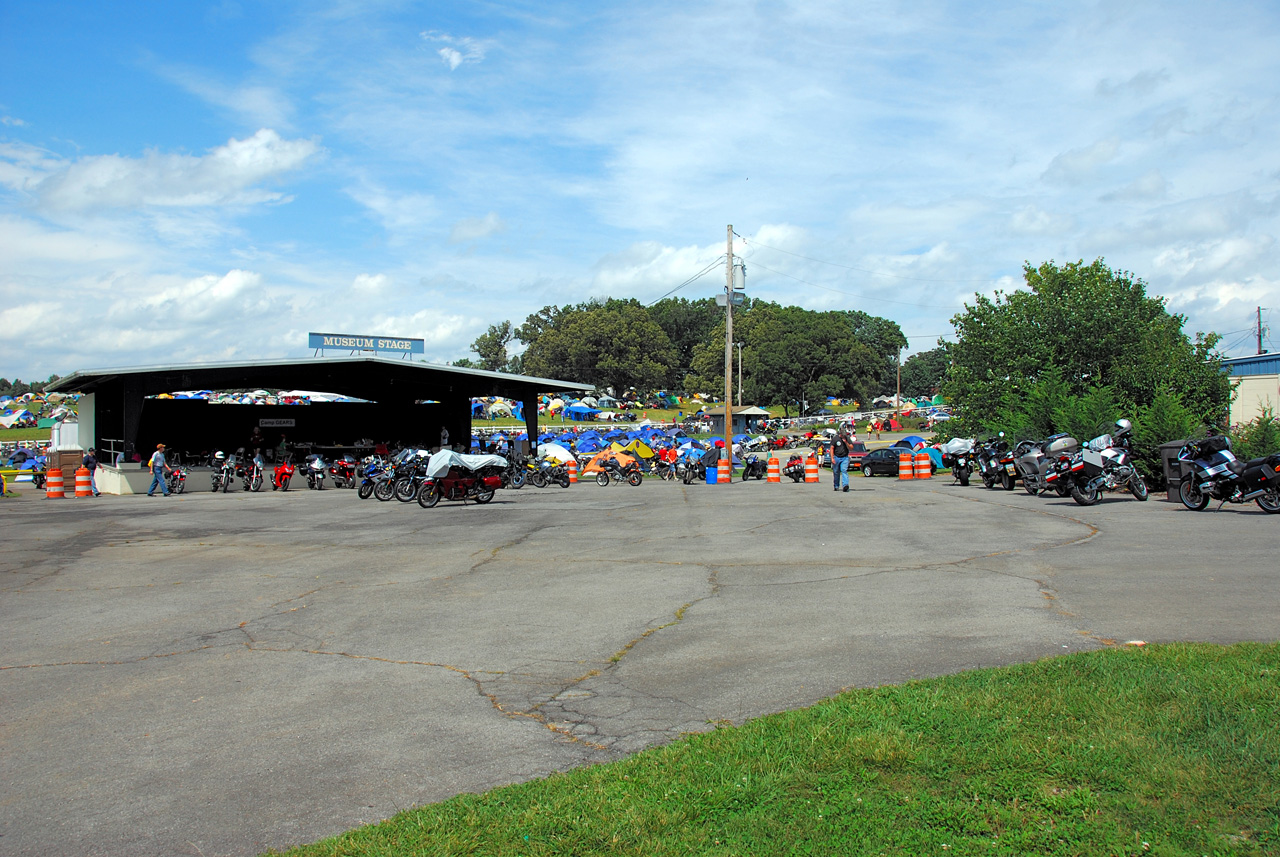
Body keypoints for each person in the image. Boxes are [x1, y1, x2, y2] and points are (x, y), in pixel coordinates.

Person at [831, 428, 851, 493]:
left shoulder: (847, 438)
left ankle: (845, 485)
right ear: (840, 434)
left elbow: (851, 447)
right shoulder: (835, 439)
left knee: (844, 470)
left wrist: (846, 442)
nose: (843, 436)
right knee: (836, 472)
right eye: (843, 435)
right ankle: (836, 485)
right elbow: (832, 448)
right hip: (836, 457)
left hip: (845, 457)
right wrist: (832, 458)